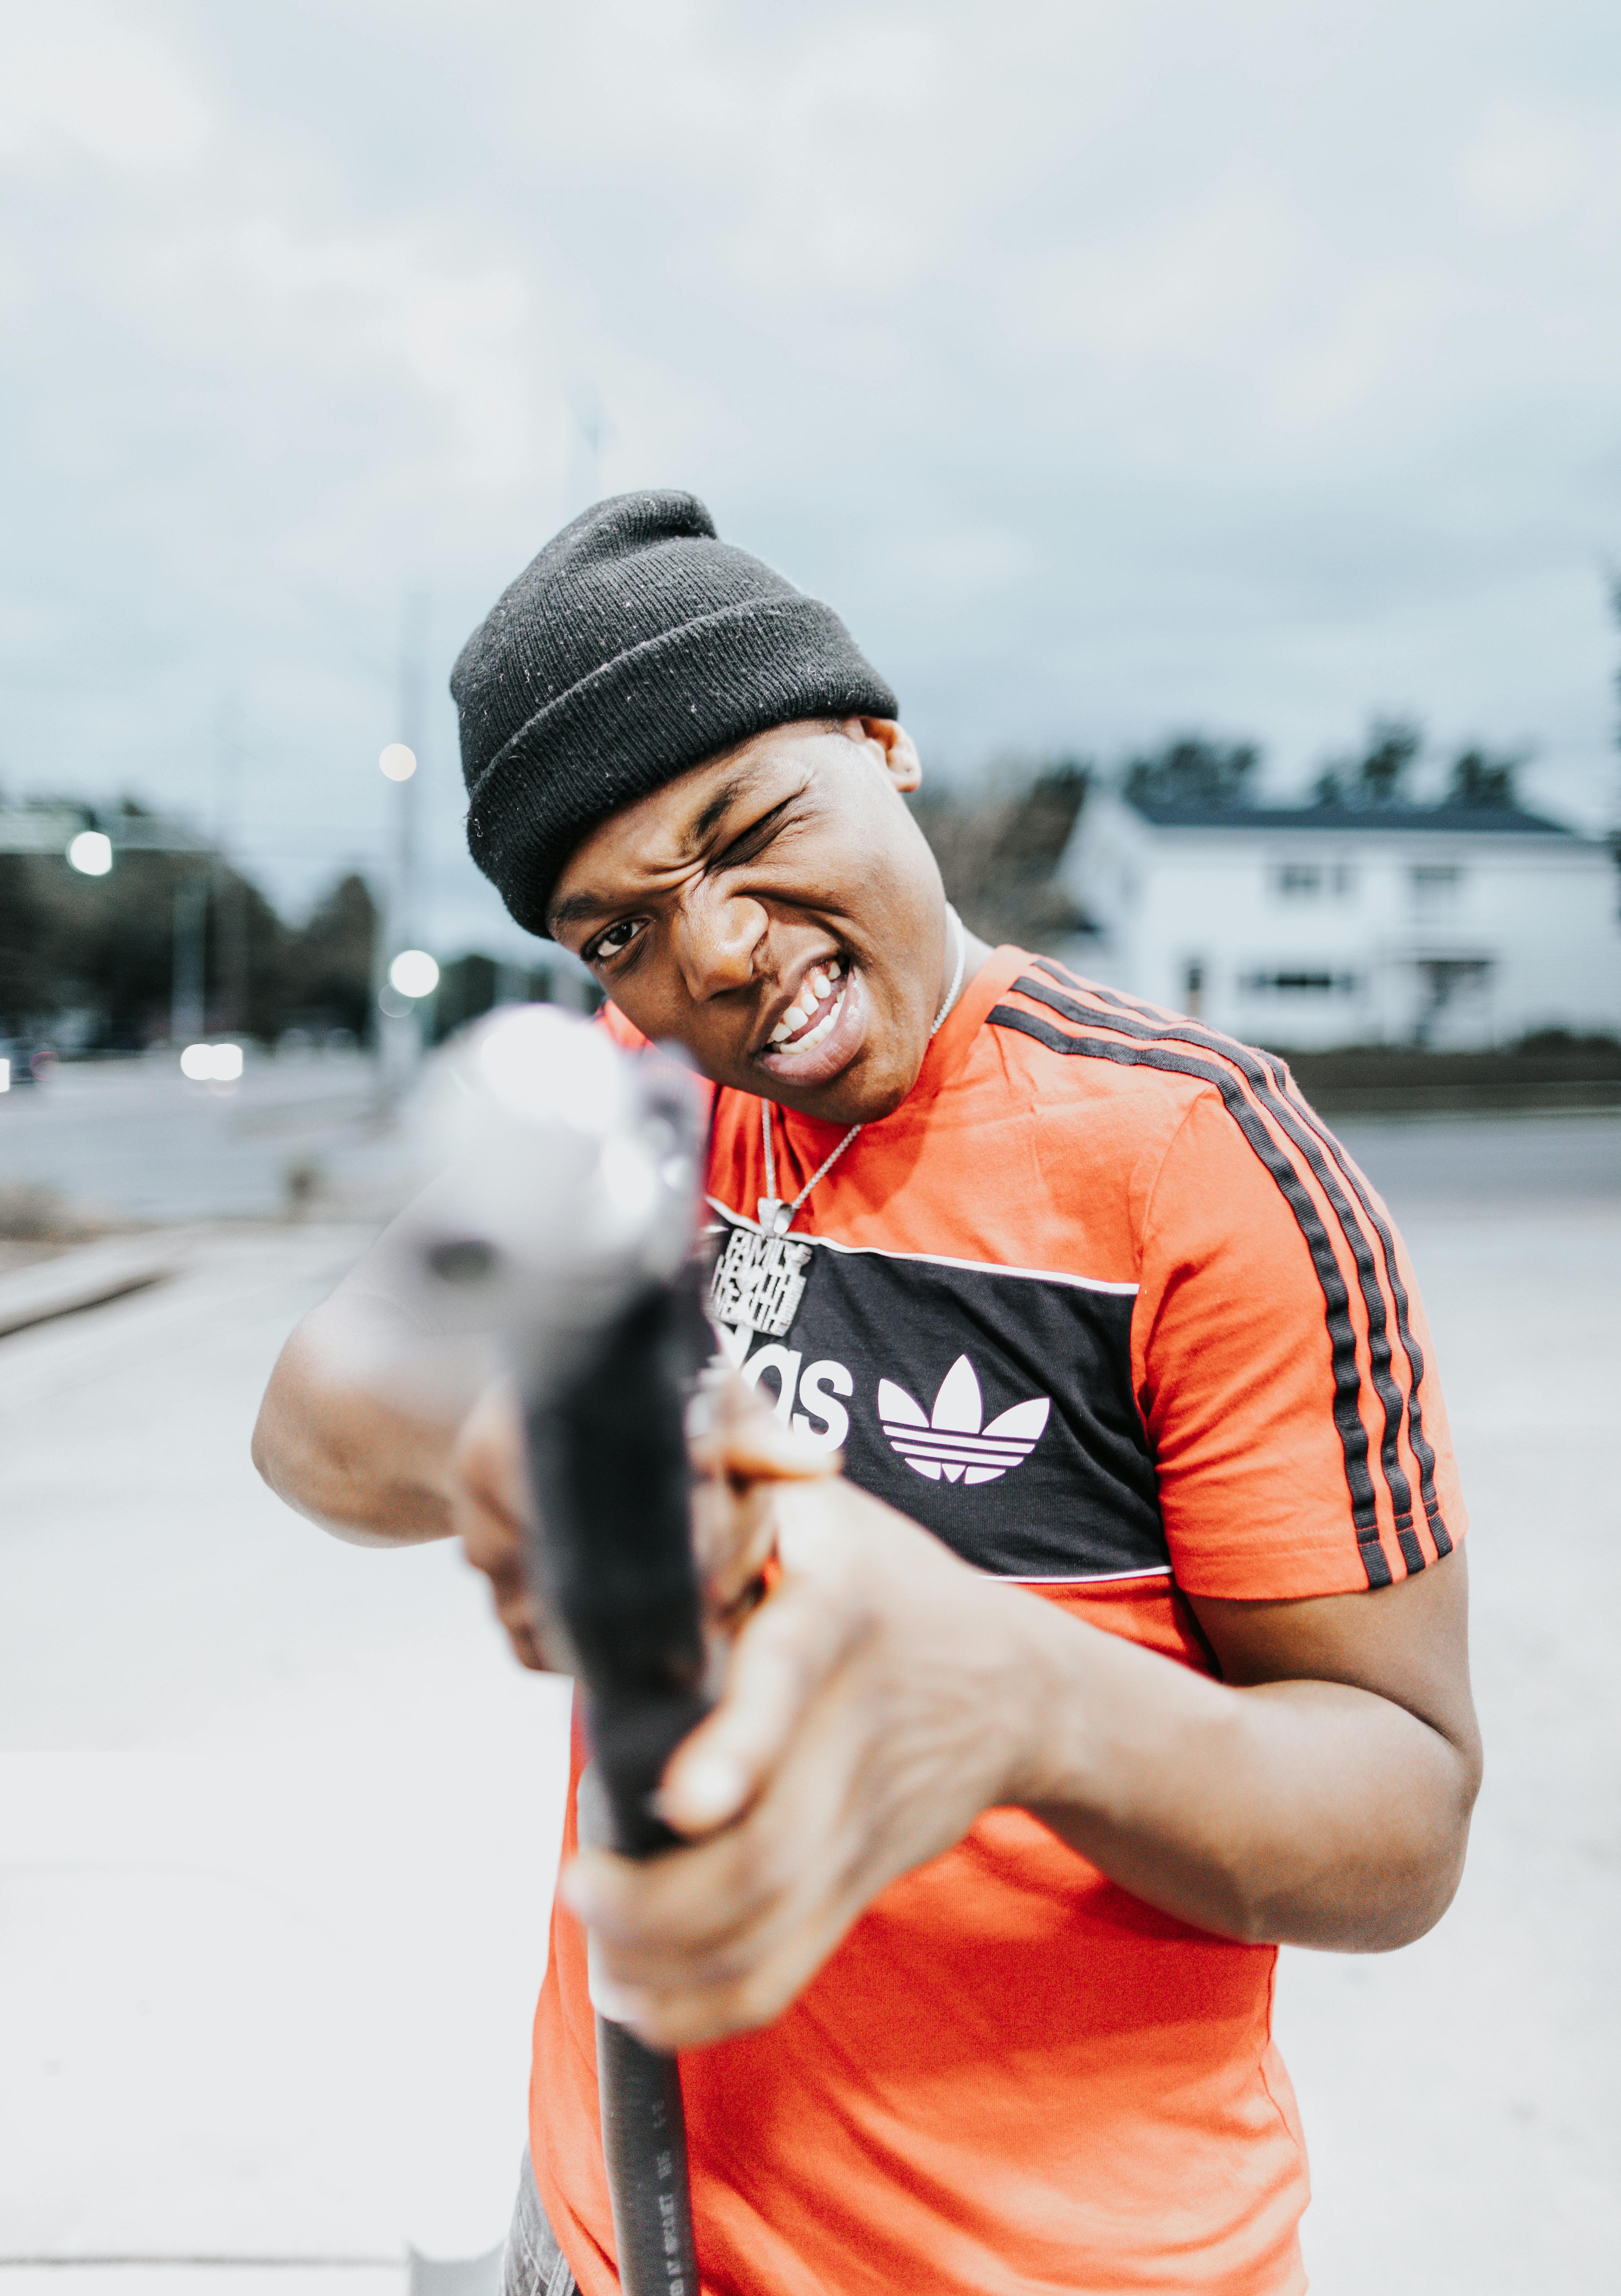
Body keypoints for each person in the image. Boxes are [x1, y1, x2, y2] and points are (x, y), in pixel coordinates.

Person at [253, 492, 1480, 2296]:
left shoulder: (1189, 1163)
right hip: (602, 2222)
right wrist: (545, 1436)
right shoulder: (640, 1100)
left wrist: (1026, 1706)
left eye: (749, 831)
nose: (720, 957)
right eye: (618, 933)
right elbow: (311, 1433)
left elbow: (1401, 1825)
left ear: (885, 748)